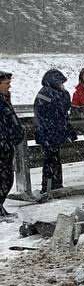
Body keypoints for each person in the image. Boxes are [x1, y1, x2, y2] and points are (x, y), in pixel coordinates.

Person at [33, 69, 75, 196]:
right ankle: (50, 187)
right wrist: (64, 93)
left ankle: (53, 186)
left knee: (53, 159)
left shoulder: (51, 93)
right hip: (49, 132)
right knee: (51, 160)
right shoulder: (47, 93)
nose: (62, 85)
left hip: (50, 132)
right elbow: (60, 109)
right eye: (59, 82)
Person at [0, 70, 23, 220]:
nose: (9, 86)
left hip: (6, 144)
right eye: (6, 83)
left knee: (6, 177)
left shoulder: (4, 99)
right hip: (2, 144)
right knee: (4, 178)